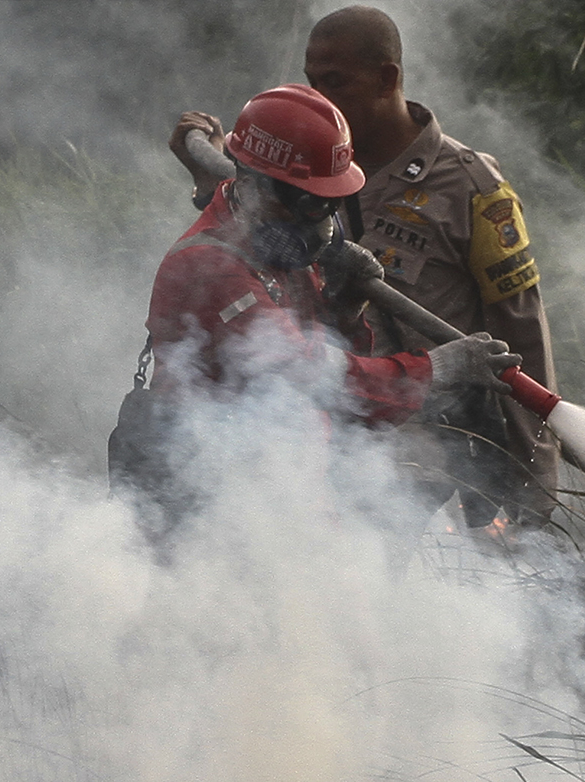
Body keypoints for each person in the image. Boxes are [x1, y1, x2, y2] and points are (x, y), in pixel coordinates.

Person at [169, 6, 560, 533]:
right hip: (316, 433)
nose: (322, 101)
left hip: (416, 447)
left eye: (336, 83)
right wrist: (213, 179)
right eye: (313, 83)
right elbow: (247, 254)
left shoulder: (471, 188)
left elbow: (522, 340)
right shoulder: (298, 171)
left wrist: (537, 498)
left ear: (387, 79)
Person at [132, 83, 520, 540]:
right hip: (212, 524)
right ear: (256, 186)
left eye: (333, 202)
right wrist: (436, 368)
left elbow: (332, 381)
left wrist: (346, 308)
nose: (323, 221)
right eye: (313, 202)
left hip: (290, 511)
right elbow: (316, 379)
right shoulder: (210, 268)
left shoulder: (274, 247)